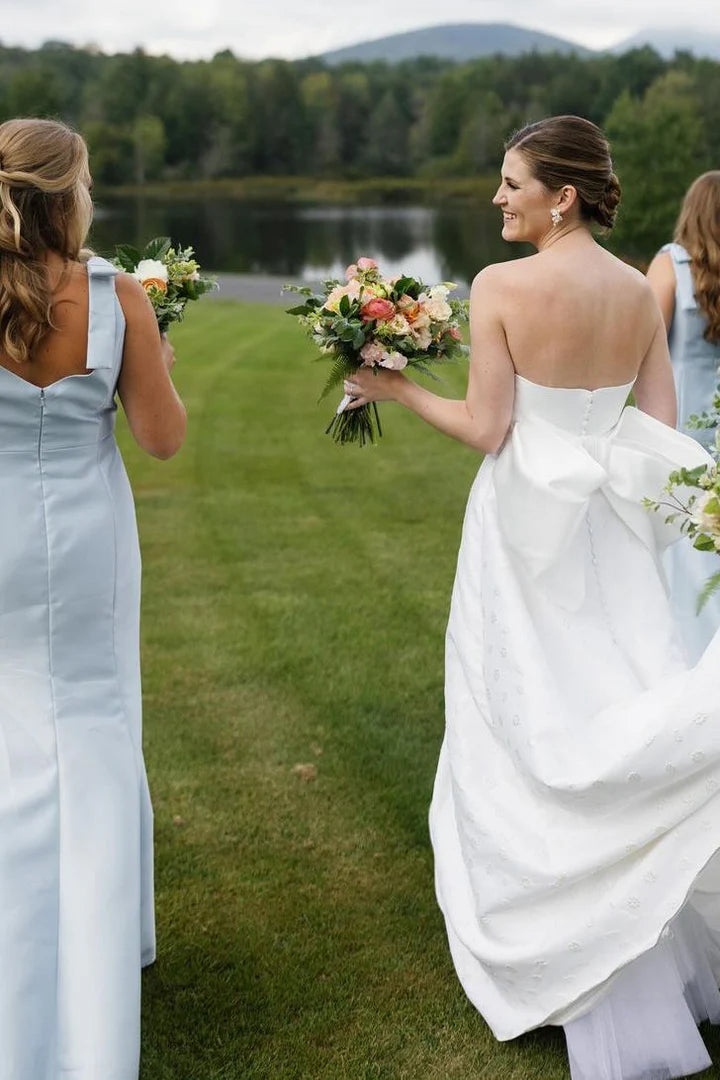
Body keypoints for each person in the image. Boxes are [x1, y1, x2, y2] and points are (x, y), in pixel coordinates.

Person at [344, 115, 720, 1080]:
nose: (498, 199)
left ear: (562, 194)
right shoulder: (640, 288)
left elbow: (486, 427)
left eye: (512, 184)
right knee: (616, 694)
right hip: (614, 527)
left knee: (528, 718)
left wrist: (394, 390)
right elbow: (661, 422)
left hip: (522, 532)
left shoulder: (502, 286)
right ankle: (638, 940)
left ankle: (562, 949)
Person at [0, 117, 186, 1080]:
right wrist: (142, 357)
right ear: (70, 193)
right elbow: (161, 438)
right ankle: (93, 983)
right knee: (93, 730)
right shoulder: (114, 295)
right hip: (82, 541)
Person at [646, 172, 720, 663]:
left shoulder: (670, 264)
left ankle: (691, 653)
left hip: (680, 420)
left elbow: (642, 347)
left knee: (687, 539)